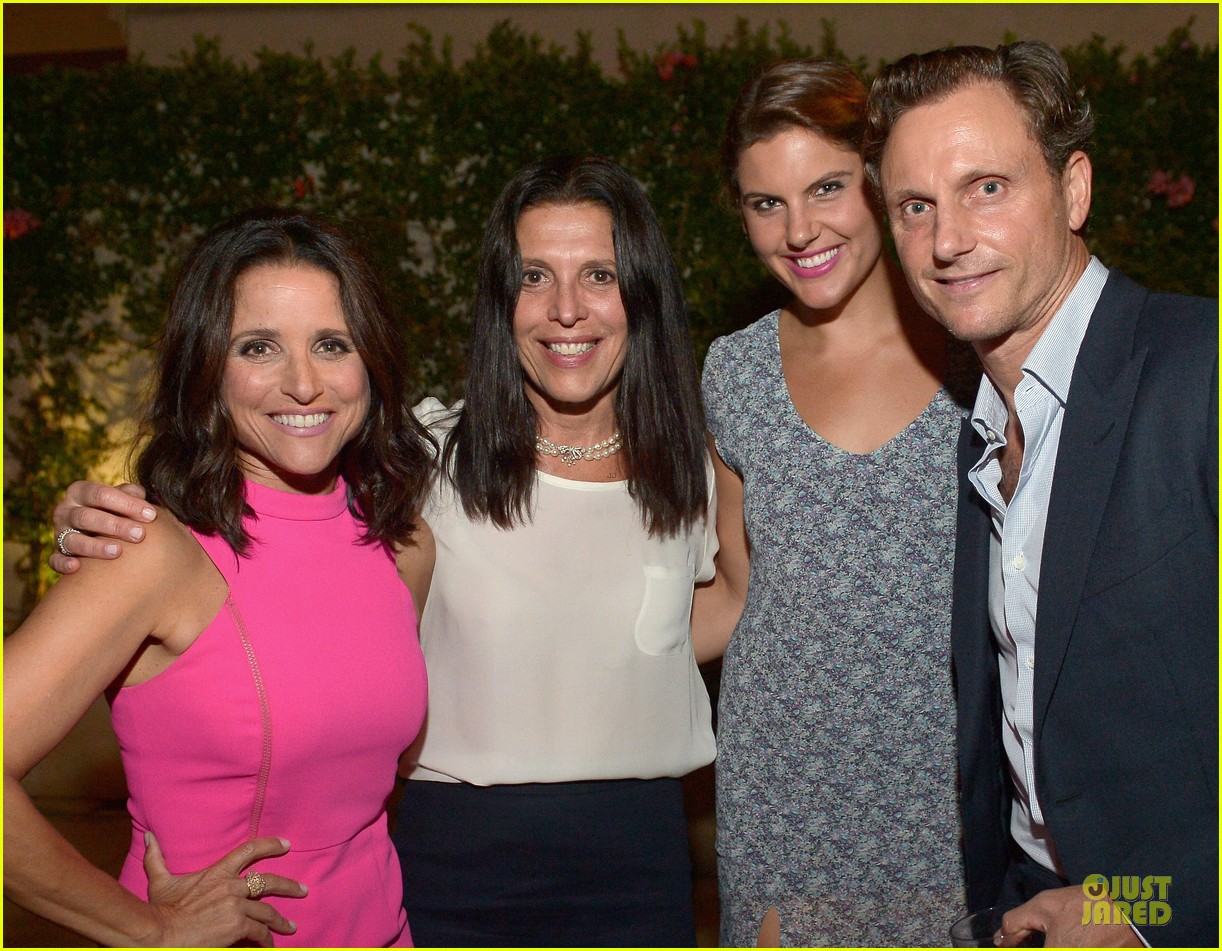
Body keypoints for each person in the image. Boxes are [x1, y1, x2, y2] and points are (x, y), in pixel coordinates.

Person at [49, 156, 717, 947]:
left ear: (641, 294)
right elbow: (269, 529)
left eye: (600, 274)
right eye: (534, 275)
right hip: (451, 859)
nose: (566, 308)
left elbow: (711, 608)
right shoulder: (424, 457)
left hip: (635, 859)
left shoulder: (693, 468)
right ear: (501, 301)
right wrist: (89, 522)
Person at [863, 41, 1218, 948]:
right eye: (915, 206)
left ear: (1073, 190)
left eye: (987, 186)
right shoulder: (980, 434)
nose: (946, 240)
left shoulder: (1199, 372)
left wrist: (1146, 913)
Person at [7, 209, 433, 946]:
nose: (304, 383)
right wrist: (145, 928)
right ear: (206, 367)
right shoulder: (151, 555)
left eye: (332, 343)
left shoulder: (406, 547)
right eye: (258, 346)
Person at [692, 59, 976, 947]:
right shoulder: (733, 373)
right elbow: (735, 595)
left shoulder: (980, 348)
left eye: (827, 187)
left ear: (884, 180)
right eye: (764, 203)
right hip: (782, 798)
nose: (799, 230)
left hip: (955, 801)